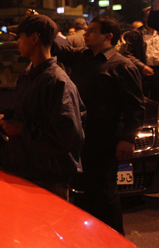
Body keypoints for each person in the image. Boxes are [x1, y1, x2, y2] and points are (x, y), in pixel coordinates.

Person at [53, 14, 144, 234]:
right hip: (82, 136)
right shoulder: (83, 57)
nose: (86, 33)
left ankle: (114, 238)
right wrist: (38, 23)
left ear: (108, 36)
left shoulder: (121, 65)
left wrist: (127, 138)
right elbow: (55, 48)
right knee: (85, 192)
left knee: (105, 192)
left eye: (92, 30)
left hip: (105, 138)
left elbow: (134, 105)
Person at [0, 13, 85, 199]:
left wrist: (21, 129)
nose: (17, 42)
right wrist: (6, 116)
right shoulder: (29, 74)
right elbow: (30, 113)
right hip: (27, 170)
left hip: (49, 180)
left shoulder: (58, 81)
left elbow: (69, 135)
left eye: (20, 37)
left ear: (34, 38)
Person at [123, 7, 159, 100]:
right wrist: (142, 66)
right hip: (143, 73)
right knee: (142, 100)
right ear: (145, 19)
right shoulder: (136, 34)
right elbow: (128, 54)